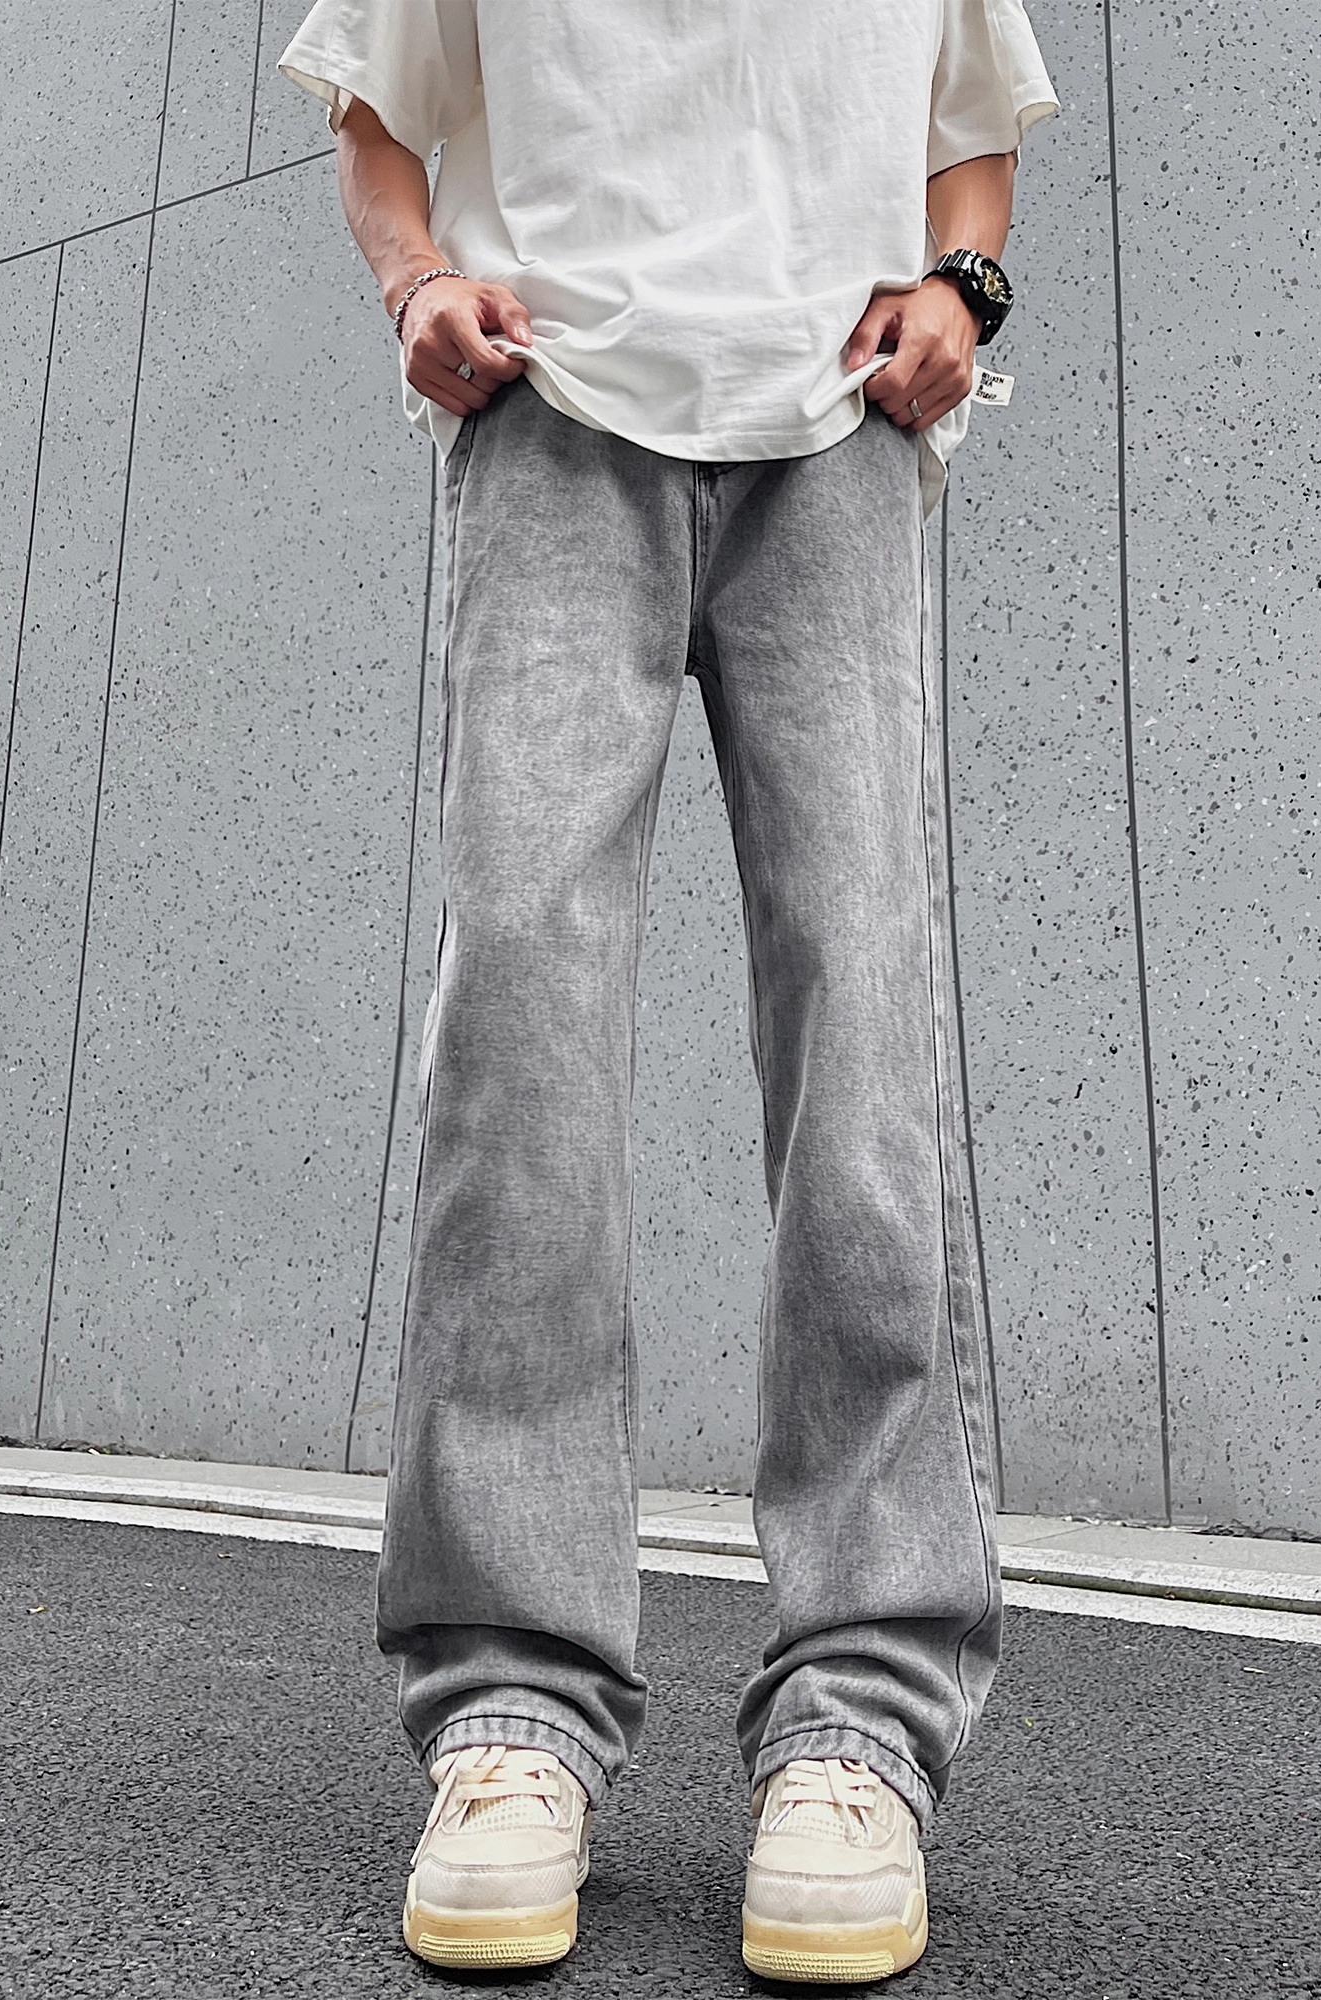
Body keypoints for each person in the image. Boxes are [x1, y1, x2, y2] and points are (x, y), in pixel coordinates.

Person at [278, 0, 1056, 1980]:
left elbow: (972, 126)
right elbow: (378, 116)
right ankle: (512, 1709)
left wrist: (964, 287)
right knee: (519, 1031)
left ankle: (862, 1714)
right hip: (554, 419)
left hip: (839, 436)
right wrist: (416, 284)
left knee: (865, 1037)